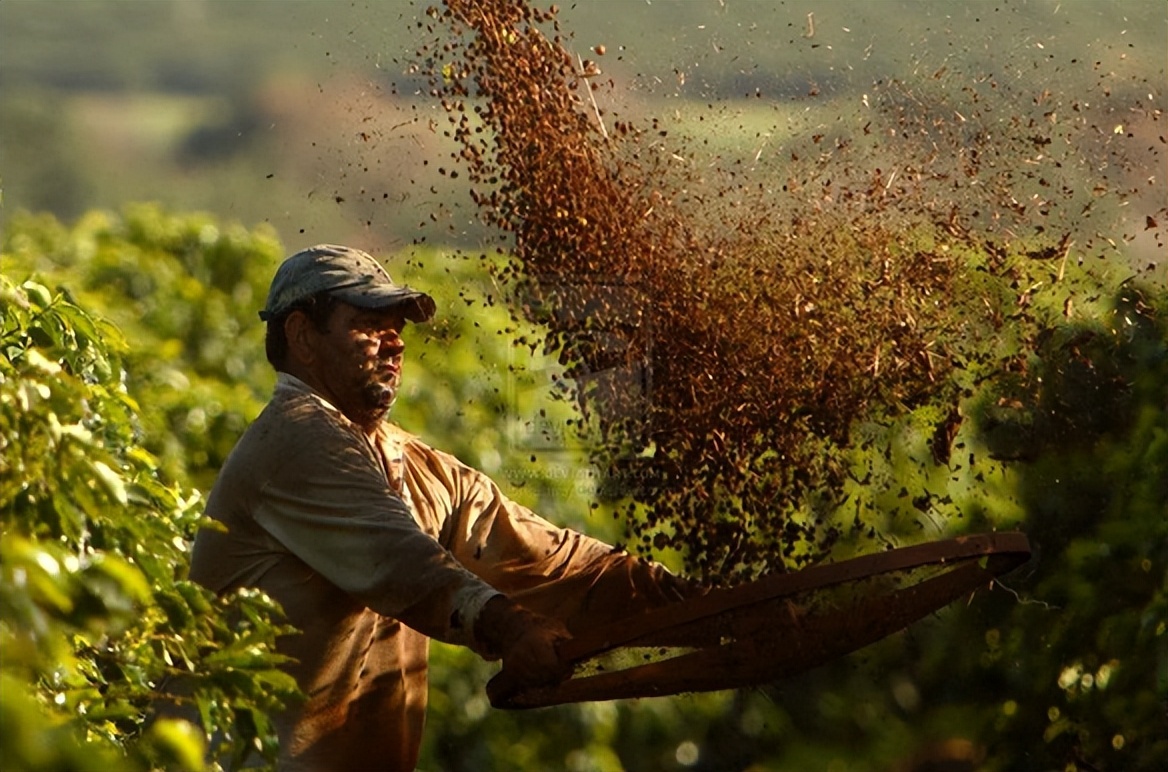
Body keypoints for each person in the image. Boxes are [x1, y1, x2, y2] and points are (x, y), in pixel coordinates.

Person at [189, 244, 691, 772]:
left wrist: (685, 602)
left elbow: (539, 556)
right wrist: (510, 627)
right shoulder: (291, 438)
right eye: (368, 324)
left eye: (397, 327)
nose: (394, 343)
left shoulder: (405, 460)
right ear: (302, 336)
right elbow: (400, 563)